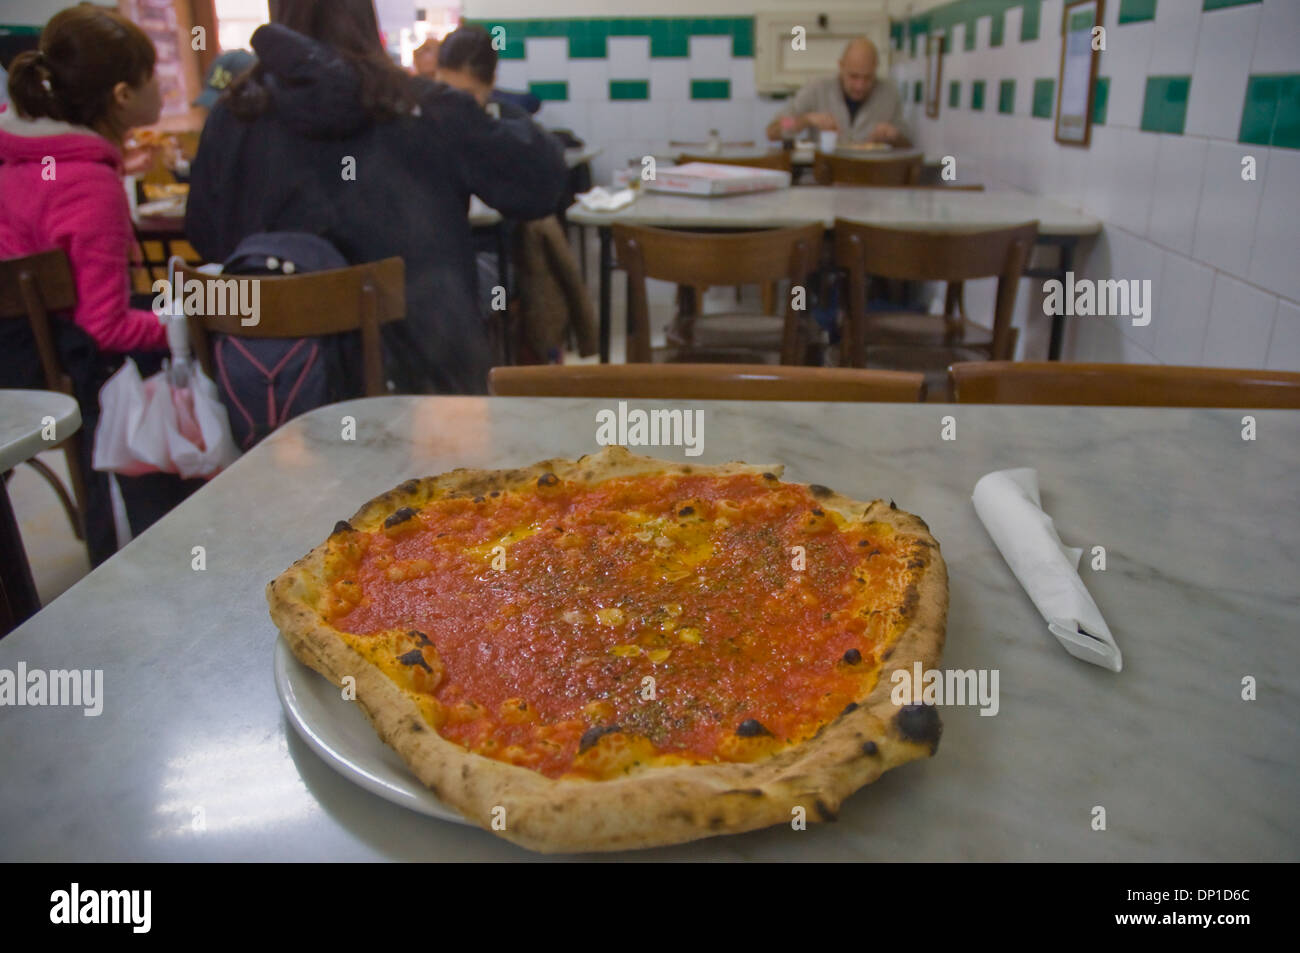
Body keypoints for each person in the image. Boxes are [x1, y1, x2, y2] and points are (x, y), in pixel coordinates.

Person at [185, 0, 567, 394]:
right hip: (428, 405)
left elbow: (206, 236)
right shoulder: (425, 109)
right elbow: (542, 186)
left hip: (279, 406)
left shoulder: (232, 119)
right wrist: (488, 108)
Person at [0, 4, 202, 565]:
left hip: (16, 353)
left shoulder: (20, 156)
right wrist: (187, 325)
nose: (162, 89)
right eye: (151, 77)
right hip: (56, 372)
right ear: (120, 95)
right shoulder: (88, 183)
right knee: (183, 338)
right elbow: (104, 325)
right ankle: (154, 552)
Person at [765, 37, 909, 147]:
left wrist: (894, 136)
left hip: (871, 178)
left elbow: (908, 145)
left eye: (868, 78)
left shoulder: (889, 94)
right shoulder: (817, 88)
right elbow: (773, 130)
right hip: (824, 178)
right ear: (841, 66)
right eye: (854, 76)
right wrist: (806, 120)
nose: (860, 86)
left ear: (876, 69)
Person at [436, 25, 541, 118]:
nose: (453, 103)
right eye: (445, 91)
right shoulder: (425, 123)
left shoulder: (516, 131)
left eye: (466, 95)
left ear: (491, 83)